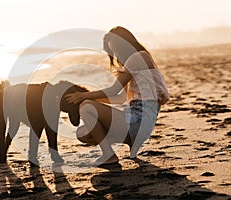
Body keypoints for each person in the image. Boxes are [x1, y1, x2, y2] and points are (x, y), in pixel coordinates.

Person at [66, 26, 169, 165]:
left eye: (117, 48)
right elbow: (119, 98)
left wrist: (84, 96)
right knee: (83, 133)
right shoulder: (133, 63)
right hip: (135, 117)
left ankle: (109, 155)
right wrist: (91, 98)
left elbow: (114, 90)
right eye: (113, 50)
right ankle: (130, 142)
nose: (116, 53)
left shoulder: (138, 57)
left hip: (140, 119)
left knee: (86, 107)